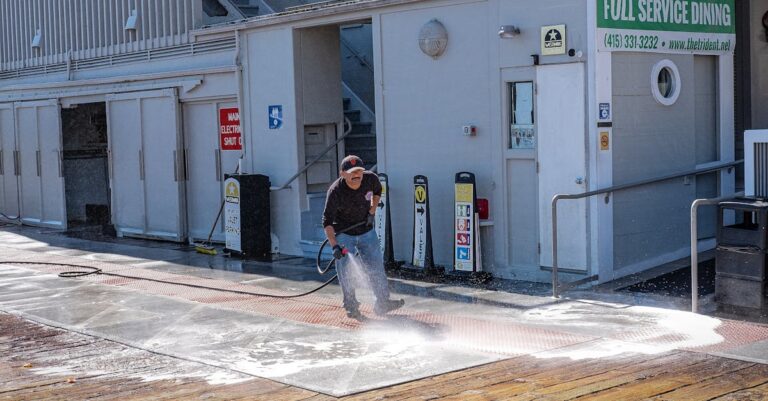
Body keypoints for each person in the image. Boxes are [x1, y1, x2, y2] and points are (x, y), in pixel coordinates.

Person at [322, 155, 405, 320]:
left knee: (376, 266)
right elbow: (327, 222)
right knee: (346, 271)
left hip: (366, 231)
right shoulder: (335, 191)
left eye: (359, 171)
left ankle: (382, 303)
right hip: (344, 234)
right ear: (342, 174)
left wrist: (372, 212)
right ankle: (351, 305)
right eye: (352, 172)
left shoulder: (370, 179)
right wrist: (335, 246)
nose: (356, 175)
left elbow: (378, 191)